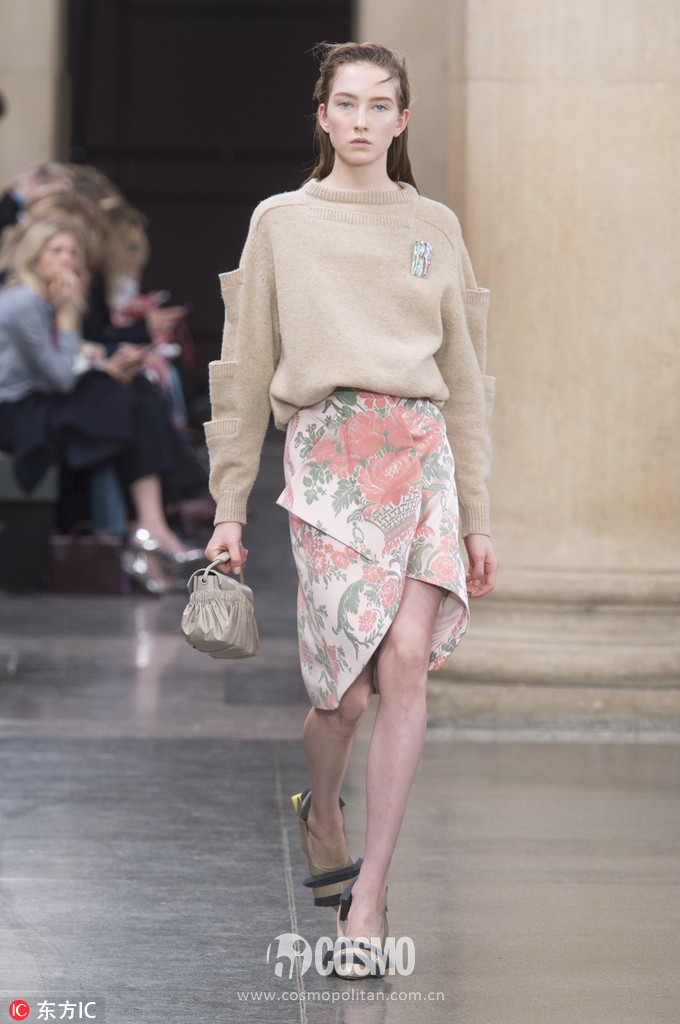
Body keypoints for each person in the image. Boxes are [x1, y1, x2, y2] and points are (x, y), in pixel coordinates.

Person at [204, 42, 498, 977]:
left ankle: (366, 902)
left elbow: (465, 379)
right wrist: (228, 505)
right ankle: (323, 808)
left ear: (402, 120)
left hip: (422, 454)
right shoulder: (282, 222)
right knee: (345, 695)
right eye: (346, 103)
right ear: (323, 116)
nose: (362, 120)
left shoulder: (434, 226)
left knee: (406, 660)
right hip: (328, 460)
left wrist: (478, 514)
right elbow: (245, 368)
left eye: (380, 105)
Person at [0, 216, 194, 592]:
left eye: (73, 253)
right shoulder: (25, 302)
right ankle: (144, 530)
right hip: (14, 411)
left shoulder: (40, 297)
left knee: (131, 393)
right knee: (122, 403)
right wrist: (69, 315)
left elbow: (56, 365)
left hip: (34, 398)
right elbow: (58, 377)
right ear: (33, 256)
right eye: (56, 251)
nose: (67, 260)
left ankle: (147, 528)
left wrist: (103, 364)